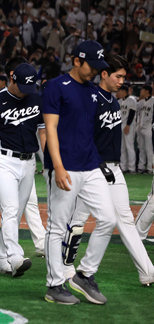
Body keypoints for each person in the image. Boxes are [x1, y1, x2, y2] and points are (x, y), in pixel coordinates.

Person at [69, 54, 154, 287]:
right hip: (92, 169)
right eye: (118, 76)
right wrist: (95, 164)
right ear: (104, 74)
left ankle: (148, 271)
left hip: (113, 169)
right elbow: (82, 136)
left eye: (124, 77)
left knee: (124, 219)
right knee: (76, 220)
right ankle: (64, 268)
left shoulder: (113, 101)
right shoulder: (91, 98)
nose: (122, 81)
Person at [42, 40, 116, 305]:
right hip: (66, 167)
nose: (95, 71)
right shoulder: (55, 87)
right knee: (57, 227)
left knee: (108, 218)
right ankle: (54, 285)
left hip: (90, 164)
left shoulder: (93, 91)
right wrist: (58, 167)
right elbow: (50, 129)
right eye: (91, 66)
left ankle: (84, 274)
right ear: (76, 61)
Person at [0, 63, 45, 277]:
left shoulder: (35, 98)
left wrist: (49, 160)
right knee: (10, 209)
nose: (26, 90)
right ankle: (15, 256)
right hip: (4, 159)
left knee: (16, 211)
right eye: (22, 85)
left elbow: (43, 132)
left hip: (29, 161)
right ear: (11, 78)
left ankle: (2, 261)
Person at [118, 85, 137, 173]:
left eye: (120, 91)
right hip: (121, 125)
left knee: (129, 146)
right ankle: (123, 166)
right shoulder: (120, 101)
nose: (119, 92)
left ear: (124, 91)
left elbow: (132, 113)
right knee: (122, 147)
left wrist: (128, 125)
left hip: (129, 125)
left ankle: (132, 168)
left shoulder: (132, 99)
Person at [135, 85, 153, 173]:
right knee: (141, 148)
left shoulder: (153, 100)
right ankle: (141, 167)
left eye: (142, 90)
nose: (140, 91)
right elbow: (135, 111)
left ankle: (150, 168)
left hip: (149, 127)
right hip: (140, 127)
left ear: (147, 91)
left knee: (149, 148)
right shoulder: (141, 102)